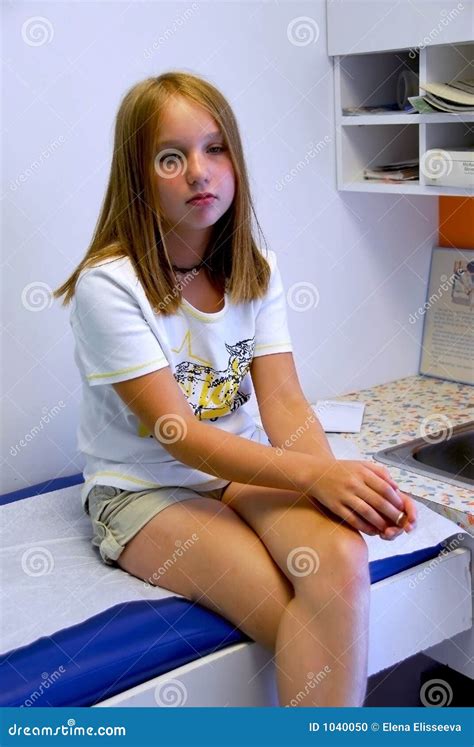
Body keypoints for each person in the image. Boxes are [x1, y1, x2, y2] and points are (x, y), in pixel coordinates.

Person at [53, 71, 417, 707]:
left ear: (235, 160)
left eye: (215, 148)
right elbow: (181, 436)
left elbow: (282, 402)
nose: (200, 171)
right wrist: (312, 479)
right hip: (144, 489)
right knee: (298, 617)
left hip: (240, 471)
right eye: (172, 156)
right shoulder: (109, 285)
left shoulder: (255, 263)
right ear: (138, 176)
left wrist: (337, 489)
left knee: (339, 564)